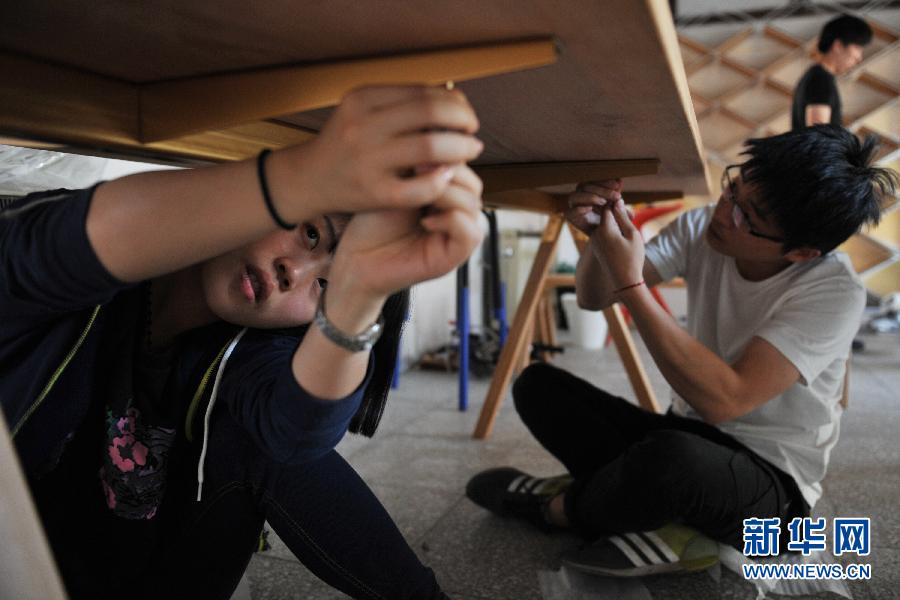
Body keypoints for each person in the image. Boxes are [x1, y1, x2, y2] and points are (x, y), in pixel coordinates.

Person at [1, 85, 485, 599]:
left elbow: (299, 434)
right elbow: (41, 252)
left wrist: (357, 299)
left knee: (269, 446)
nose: (292, 273)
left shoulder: (247, 353)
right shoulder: (85, 276)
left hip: (139, 581)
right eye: (312, 234)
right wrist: (308, 168)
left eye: (326, 286)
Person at [466, 125, 897, 576]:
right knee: (539, 386)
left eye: (749, 217)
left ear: (802, 253)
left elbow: (724, 400)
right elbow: (595, 297)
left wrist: (632, 284)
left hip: (773, 486)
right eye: (733, 189)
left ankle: (559, 509)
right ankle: (633, 507)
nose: (724, 212)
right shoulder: (703, 226)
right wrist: (601, 236)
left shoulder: (833, 290)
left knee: (672, 462)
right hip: (687, 434)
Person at [791, 14, 873, 131]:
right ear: (838, 45)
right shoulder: (820, 80)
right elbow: (818, 137)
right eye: (857, 48)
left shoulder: (817, 76)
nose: (859, 58)